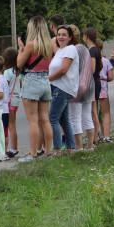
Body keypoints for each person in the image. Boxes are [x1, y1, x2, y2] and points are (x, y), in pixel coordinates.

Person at [16, 15, 53, 161]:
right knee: (45, 120)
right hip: (45, 80)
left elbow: (19, 63)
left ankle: (33, 154)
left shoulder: (31, 44)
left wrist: (20, 49)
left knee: (33, 120)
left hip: (32, 80)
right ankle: (48, 152)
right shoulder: (49, 45)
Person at [47, 24, 78, 153]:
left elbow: (63, 69)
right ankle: (70, 148)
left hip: (62, 88)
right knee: (63, 119)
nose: (60, 37)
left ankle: (57, 149)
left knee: (53, 118)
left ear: (70, 37)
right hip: (57, 87)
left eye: (64, 35)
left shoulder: (70, 49)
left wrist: (47, 79)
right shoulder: (60, 50)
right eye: (59, 34)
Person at [66, 25, 94, 152]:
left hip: (77, 86)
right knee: (87, 116)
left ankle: (78, 146)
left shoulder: (71, 50)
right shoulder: (84, 48)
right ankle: (90, 145)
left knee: (74, 117)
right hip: (88, 85)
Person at [1, 47, 21, 158]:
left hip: (9, 101)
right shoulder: (17, 71)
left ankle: (12, 149)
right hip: (16, 100)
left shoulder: (8, 72)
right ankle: (14, 148)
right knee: (13, 125)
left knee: (10, 126)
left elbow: (5, 85)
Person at [96, 38, 114, 142]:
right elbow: (111, 77)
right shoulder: (106, 61)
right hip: (103, 85)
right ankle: (106, 136)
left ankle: (95, 136)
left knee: (93, 113)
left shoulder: (90, 59)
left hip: (93, 85)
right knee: (105, 112)